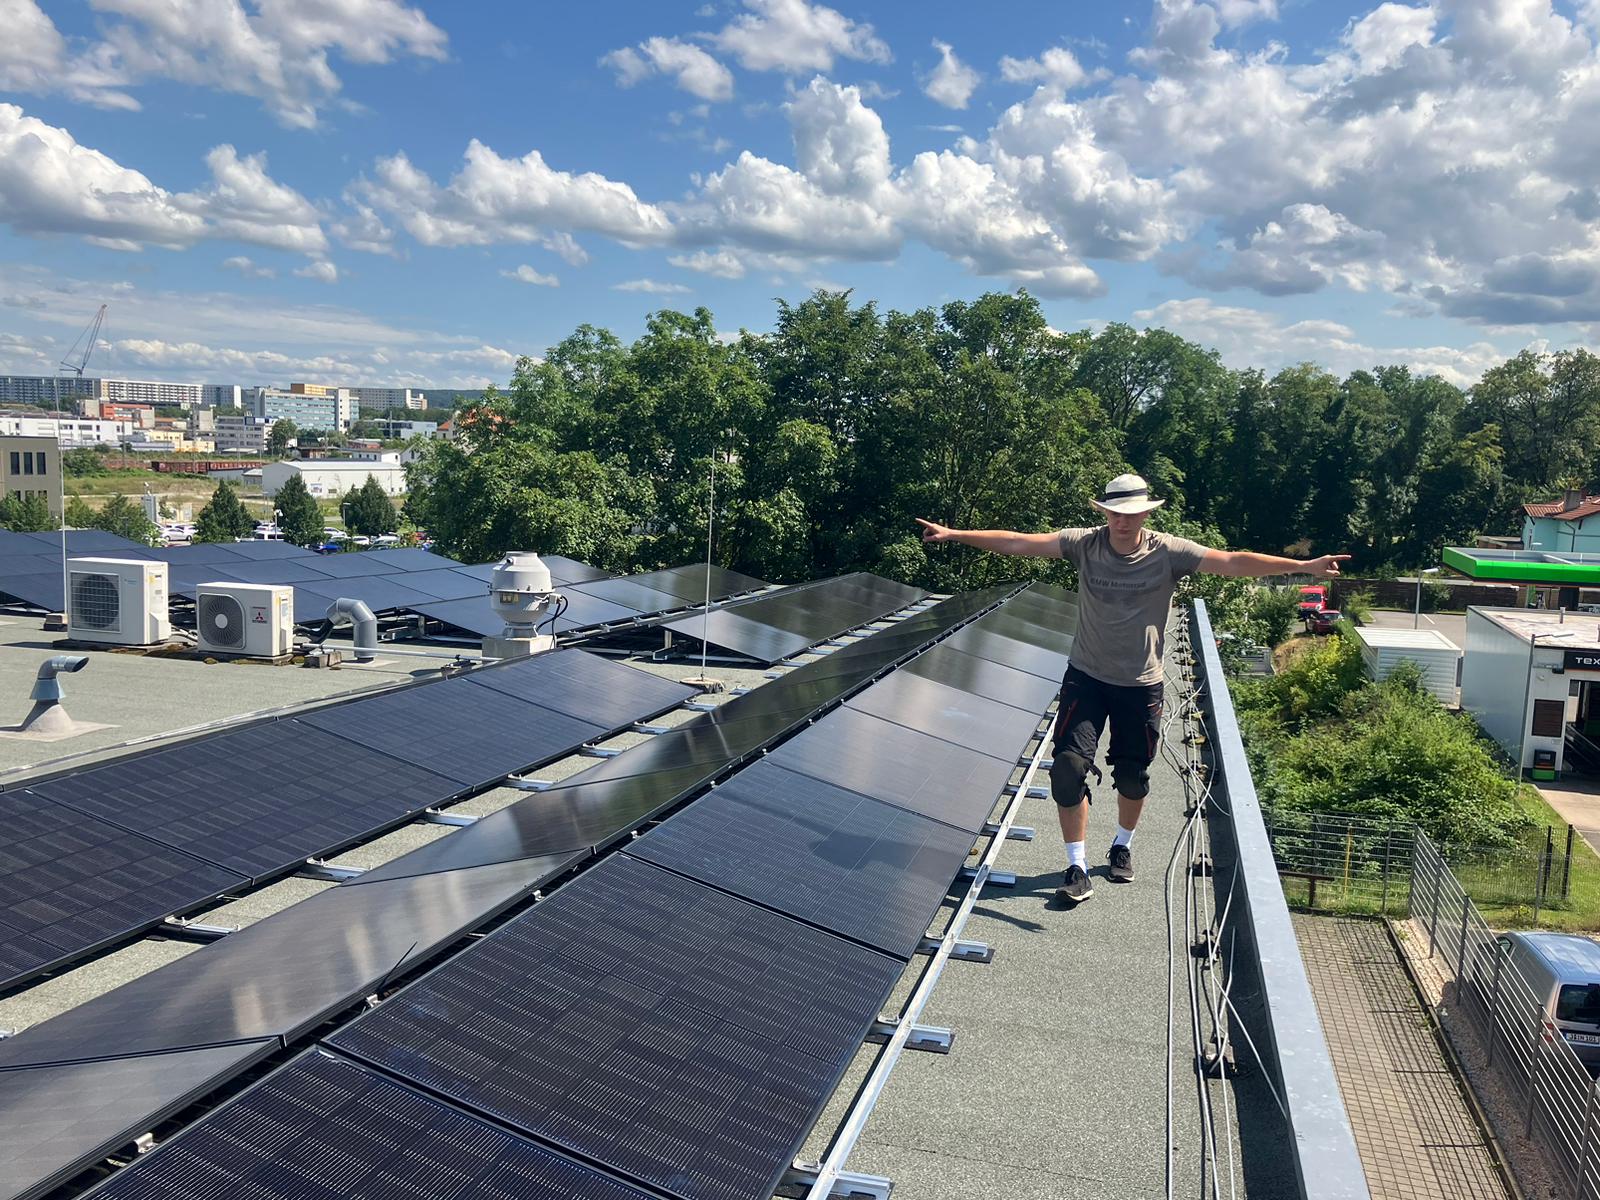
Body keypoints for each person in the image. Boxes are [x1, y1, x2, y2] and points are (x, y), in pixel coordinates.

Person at [917, 473, 1348, 903]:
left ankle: (1122, 844)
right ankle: (1077, 865)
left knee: (1133, 777)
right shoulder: (1084, 543)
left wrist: (1304, 566)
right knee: (1067, 770)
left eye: (1131, 514)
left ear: (1145, 512)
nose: (1122, 522)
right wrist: (953, 534)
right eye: (1114, 513)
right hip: (1086, 677)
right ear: (1103, 512)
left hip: (1140, 685)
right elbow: (1017, 542)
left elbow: (1233, 562)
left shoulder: (1169, 551)